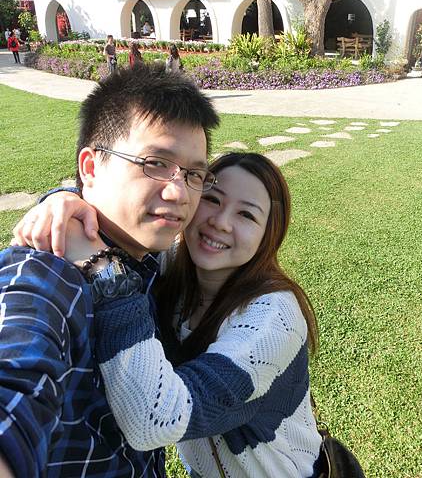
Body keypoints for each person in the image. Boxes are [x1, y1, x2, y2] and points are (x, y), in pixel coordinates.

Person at [13, 154, 323, 477]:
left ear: (269, 234)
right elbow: (117, 218)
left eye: (246, 214)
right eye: (212, 200)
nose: (220, 222)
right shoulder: (172, 262)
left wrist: (106, 273)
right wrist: (62, 201)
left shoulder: (274, 318)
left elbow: (156, 419)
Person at [0, 63, 219, 477]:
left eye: (194, 174)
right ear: (91, 167)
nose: (178, 192)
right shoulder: (46, 276)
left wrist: (62, 198)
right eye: (155, 162)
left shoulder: (149, 258)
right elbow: (17, 376)